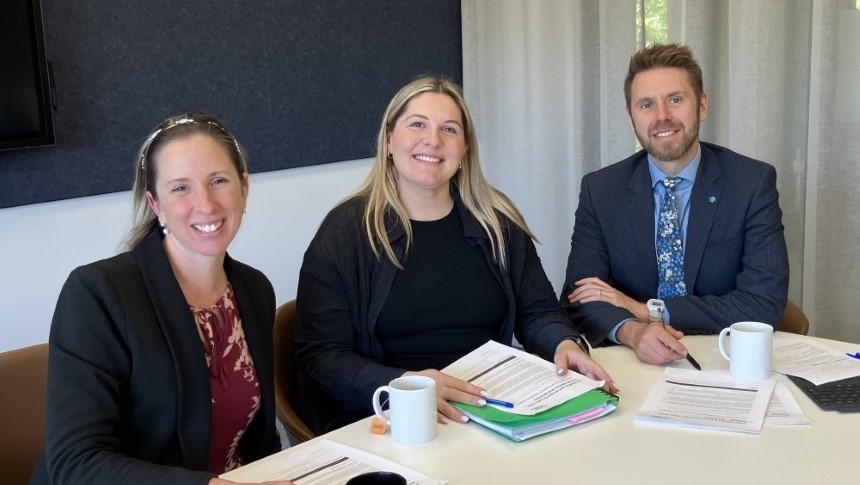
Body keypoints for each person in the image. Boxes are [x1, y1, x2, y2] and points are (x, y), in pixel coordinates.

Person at [294, 76, 617, 435]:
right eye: (417, 124)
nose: (433, 140)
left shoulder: (497, 222)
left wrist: (563, 342)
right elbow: (321, 356)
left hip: (487, 409)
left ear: (464, 149)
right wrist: (408, 387)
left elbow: (538, 310)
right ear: (389, 140)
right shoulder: (345, 232)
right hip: (395, 421)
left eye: (449, 129)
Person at [31, 114, 291, 485]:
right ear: (156, 205)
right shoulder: (97, 294)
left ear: (244, 188)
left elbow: (259, 441)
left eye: (218, 181)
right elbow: (77, 463)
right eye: (180, 188)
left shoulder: (253, 289)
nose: (205, 203)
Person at [562, 44, 789, 366]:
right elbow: (579, 296)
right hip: (636, 360)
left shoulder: (751, 183)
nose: (662, 116)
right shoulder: (601, 189)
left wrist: (647, 310)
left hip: (726, 358)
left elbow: (763, 303)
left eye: (676, 99)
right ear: (631, 117)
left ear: (703, 105)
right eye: (646, 105)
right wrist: (632, 330)